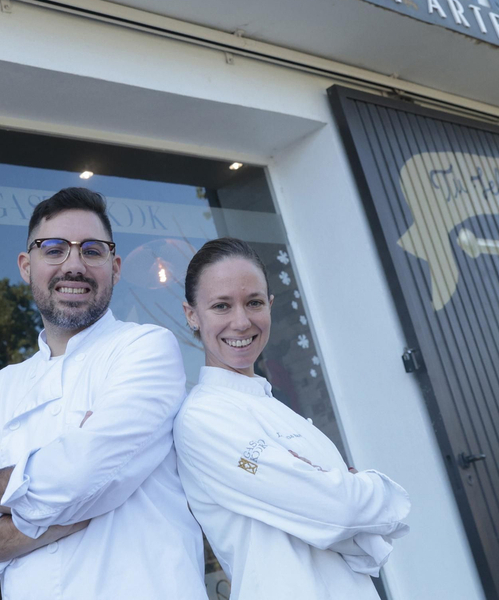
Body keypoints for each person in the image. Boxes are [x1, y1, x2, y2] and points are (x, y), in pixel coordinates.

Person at [0, 187, 205, 599]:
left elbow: (80, 474)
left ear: (115, 267)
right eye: (54, 250)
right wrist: (58, 515)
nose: (74, 266)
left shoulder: (146, 348)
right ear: (26, 266)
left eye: (92, 251)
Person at [173, 238, 410, 600]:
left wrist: (333, 494)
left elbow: (360, 543)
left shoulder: (277, 409)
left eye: (253, 302)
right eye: (221, 306)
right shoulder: (203, 418)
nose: (241, 321)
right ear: (192, 315)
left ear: (270, 305)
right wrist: (372, 488)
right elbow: (340, 510)